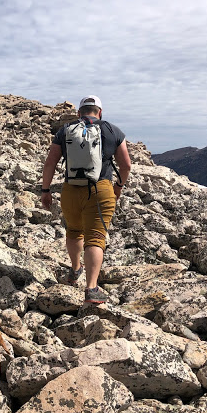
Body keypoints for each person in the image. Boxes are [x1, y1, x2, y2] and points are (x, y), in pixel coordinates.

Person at [41, 95, 131, 304]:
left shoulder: (65, 130)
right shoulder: (112, 130)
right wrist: (118, 186)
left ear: (79, 113)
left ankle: (74, 270)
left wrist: (45, 190)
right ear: (100, 112)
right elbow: (125, 165)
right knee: (96, 236)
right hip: (100, 190)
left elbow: (50, 163)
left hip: (71, 190)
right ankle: (91, 289)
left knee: (73, 230)